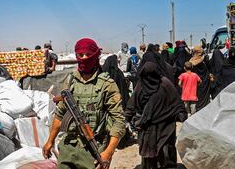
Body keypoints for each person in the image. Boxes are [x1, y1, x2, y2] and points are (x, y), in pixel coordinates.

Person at [43, 38, 126, 169]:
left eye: (88, 55)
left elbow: (119, 122)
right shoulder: (71, 81)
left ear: (96, 56)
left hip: (93, 150)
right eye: (80, 55)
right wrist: (50, 141)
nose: (84, 58)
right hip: (68, 147)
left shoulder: (107, 84)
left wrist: (108, 152)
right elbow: (60, 113)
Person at [124, 62, 187, 169]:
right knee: (150, 153)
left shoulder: (164, 83)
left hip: (165, 125)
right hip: (150, 126)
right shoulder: (157, 83)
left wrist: (128, 116)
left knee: (165, 152)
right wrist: (127, 116)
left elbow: (176, 102)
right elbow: (133, 102)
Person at [189, 45, 211, 111]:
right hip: (205, 81)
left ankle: (198, 107)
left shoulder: (191, 62)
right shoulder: (204, 59)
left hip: (196, 83)